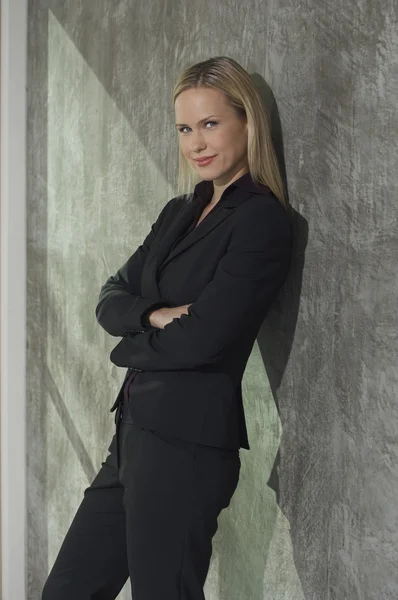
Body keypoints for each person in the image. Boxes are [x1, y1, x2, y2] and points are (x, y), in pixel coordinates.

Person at [41, 55, 293, 600]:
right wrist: (154, 316)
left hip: (187, 445)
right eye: (184, 128)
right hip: (132, 433)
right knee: (67, 590)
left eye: (210, 124)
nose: (196, 143)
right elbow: (111, 297)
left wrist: (129, 343)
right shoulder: (180, 210)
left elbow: (205, 338)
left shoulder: (262, 221)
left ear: (247, 123)